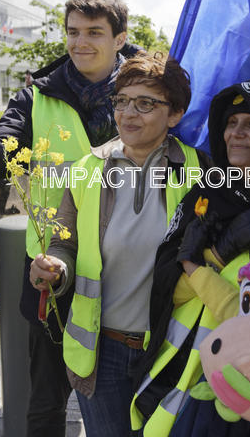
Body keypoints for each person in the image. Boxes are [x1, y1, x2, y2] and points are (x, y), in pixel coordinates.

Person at [0, 0, 137, 437]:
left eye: (94, 32)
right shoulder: (36, 96)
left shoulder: (146, 91)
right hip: (52, 271)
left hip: (130, 272)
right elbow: (2, 147)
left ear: (120, 38)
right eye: (72, 32)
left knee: (126, 400)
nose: (80, 43)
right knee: (47, 399)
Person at [29, 52, 202, 437]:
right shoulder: (86, 169)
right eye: (122, 101)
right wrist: (54, 267)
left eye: (145, 104)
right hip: (101, 353)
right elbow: (64, 243)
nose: (128, 114)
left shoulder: (201, 173)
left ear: (174, 114)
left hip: (170, 351)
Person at [132, 79, 250, 437]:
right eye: (230, 123)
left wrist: (196, 265)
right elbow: (168, 293)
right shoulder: (206, 194)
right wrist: (219, 254)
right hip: (186, 383)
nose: (235, 134)